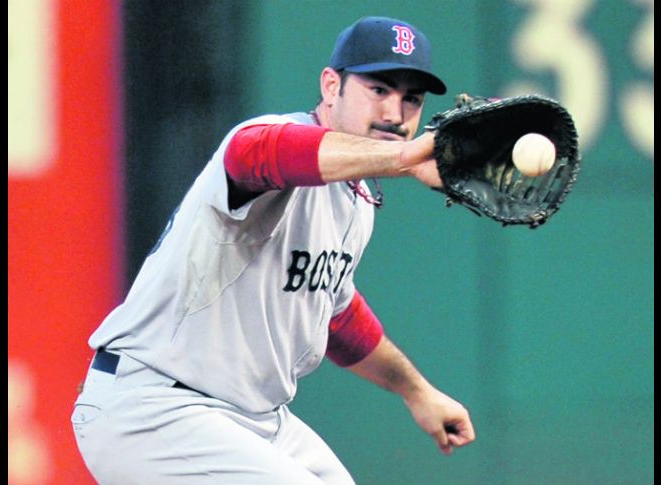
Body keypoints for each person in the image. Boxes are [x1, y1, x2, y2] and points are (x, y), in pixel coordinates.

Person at [71, 15, 475, 485]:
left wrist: (417, 392)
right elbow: (256, 154)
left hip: (250, 421)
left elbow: (336, 316)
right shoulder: (276, 137)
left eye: (412, 98)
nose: (395, 111)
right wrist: (402, 158)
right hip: (155, 408)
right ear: (331, 86)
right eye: (379, 88)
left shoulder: (357, 198)